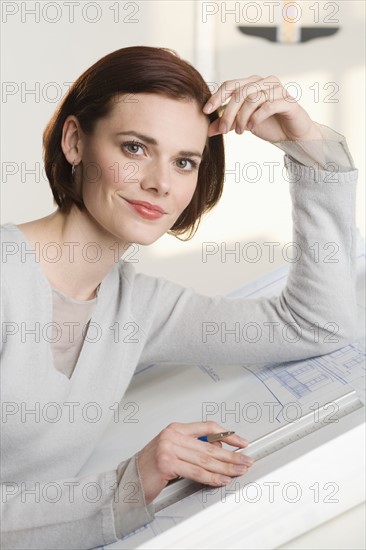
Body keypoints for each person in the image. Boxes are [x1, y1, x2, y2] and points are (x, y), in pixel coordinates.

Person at [0, 45, 358, 549]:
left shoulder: (138, 308)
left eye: (185, 161)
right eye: (134, 148)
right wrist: (129, 482)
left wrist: (307, 150)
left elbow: (316, 324)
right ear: (75, 141)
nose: (160, 183)